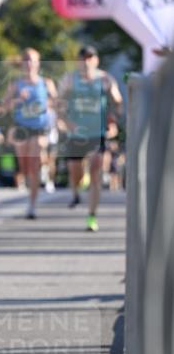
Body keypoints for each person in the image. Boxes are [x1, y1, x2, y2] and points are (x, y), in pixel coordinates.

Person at [57, 45, 122, 231]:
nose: (86, 62)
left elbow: (117, 102)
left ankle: (92, 217)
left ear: (96, 60)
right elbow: (59, 102)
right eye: (83, 58)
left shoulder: (105, 79)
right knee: (75, 175)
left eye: (90, 58)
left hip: (97, 132)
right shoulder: (70, 79)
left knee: (96, 172)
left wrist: (114, 119)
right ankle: (77, 189)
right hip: (76, 133)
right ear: (78, 61)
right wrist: (65, 121)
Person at [2, 48, 57, 219]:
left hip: (39, 128)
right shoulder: (16, 85)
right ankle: (30, 188)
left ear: (38, 63)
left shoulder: (46, 83)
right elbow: (4, 107)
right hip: (21, 127)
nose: (29, 63)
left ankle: (32, 205)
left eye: (32, 59)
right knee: (25, 167)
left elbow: (58, 102)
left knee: (34, 164)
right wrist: (18, 99)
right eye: (26, 59)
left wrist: (51, 104)